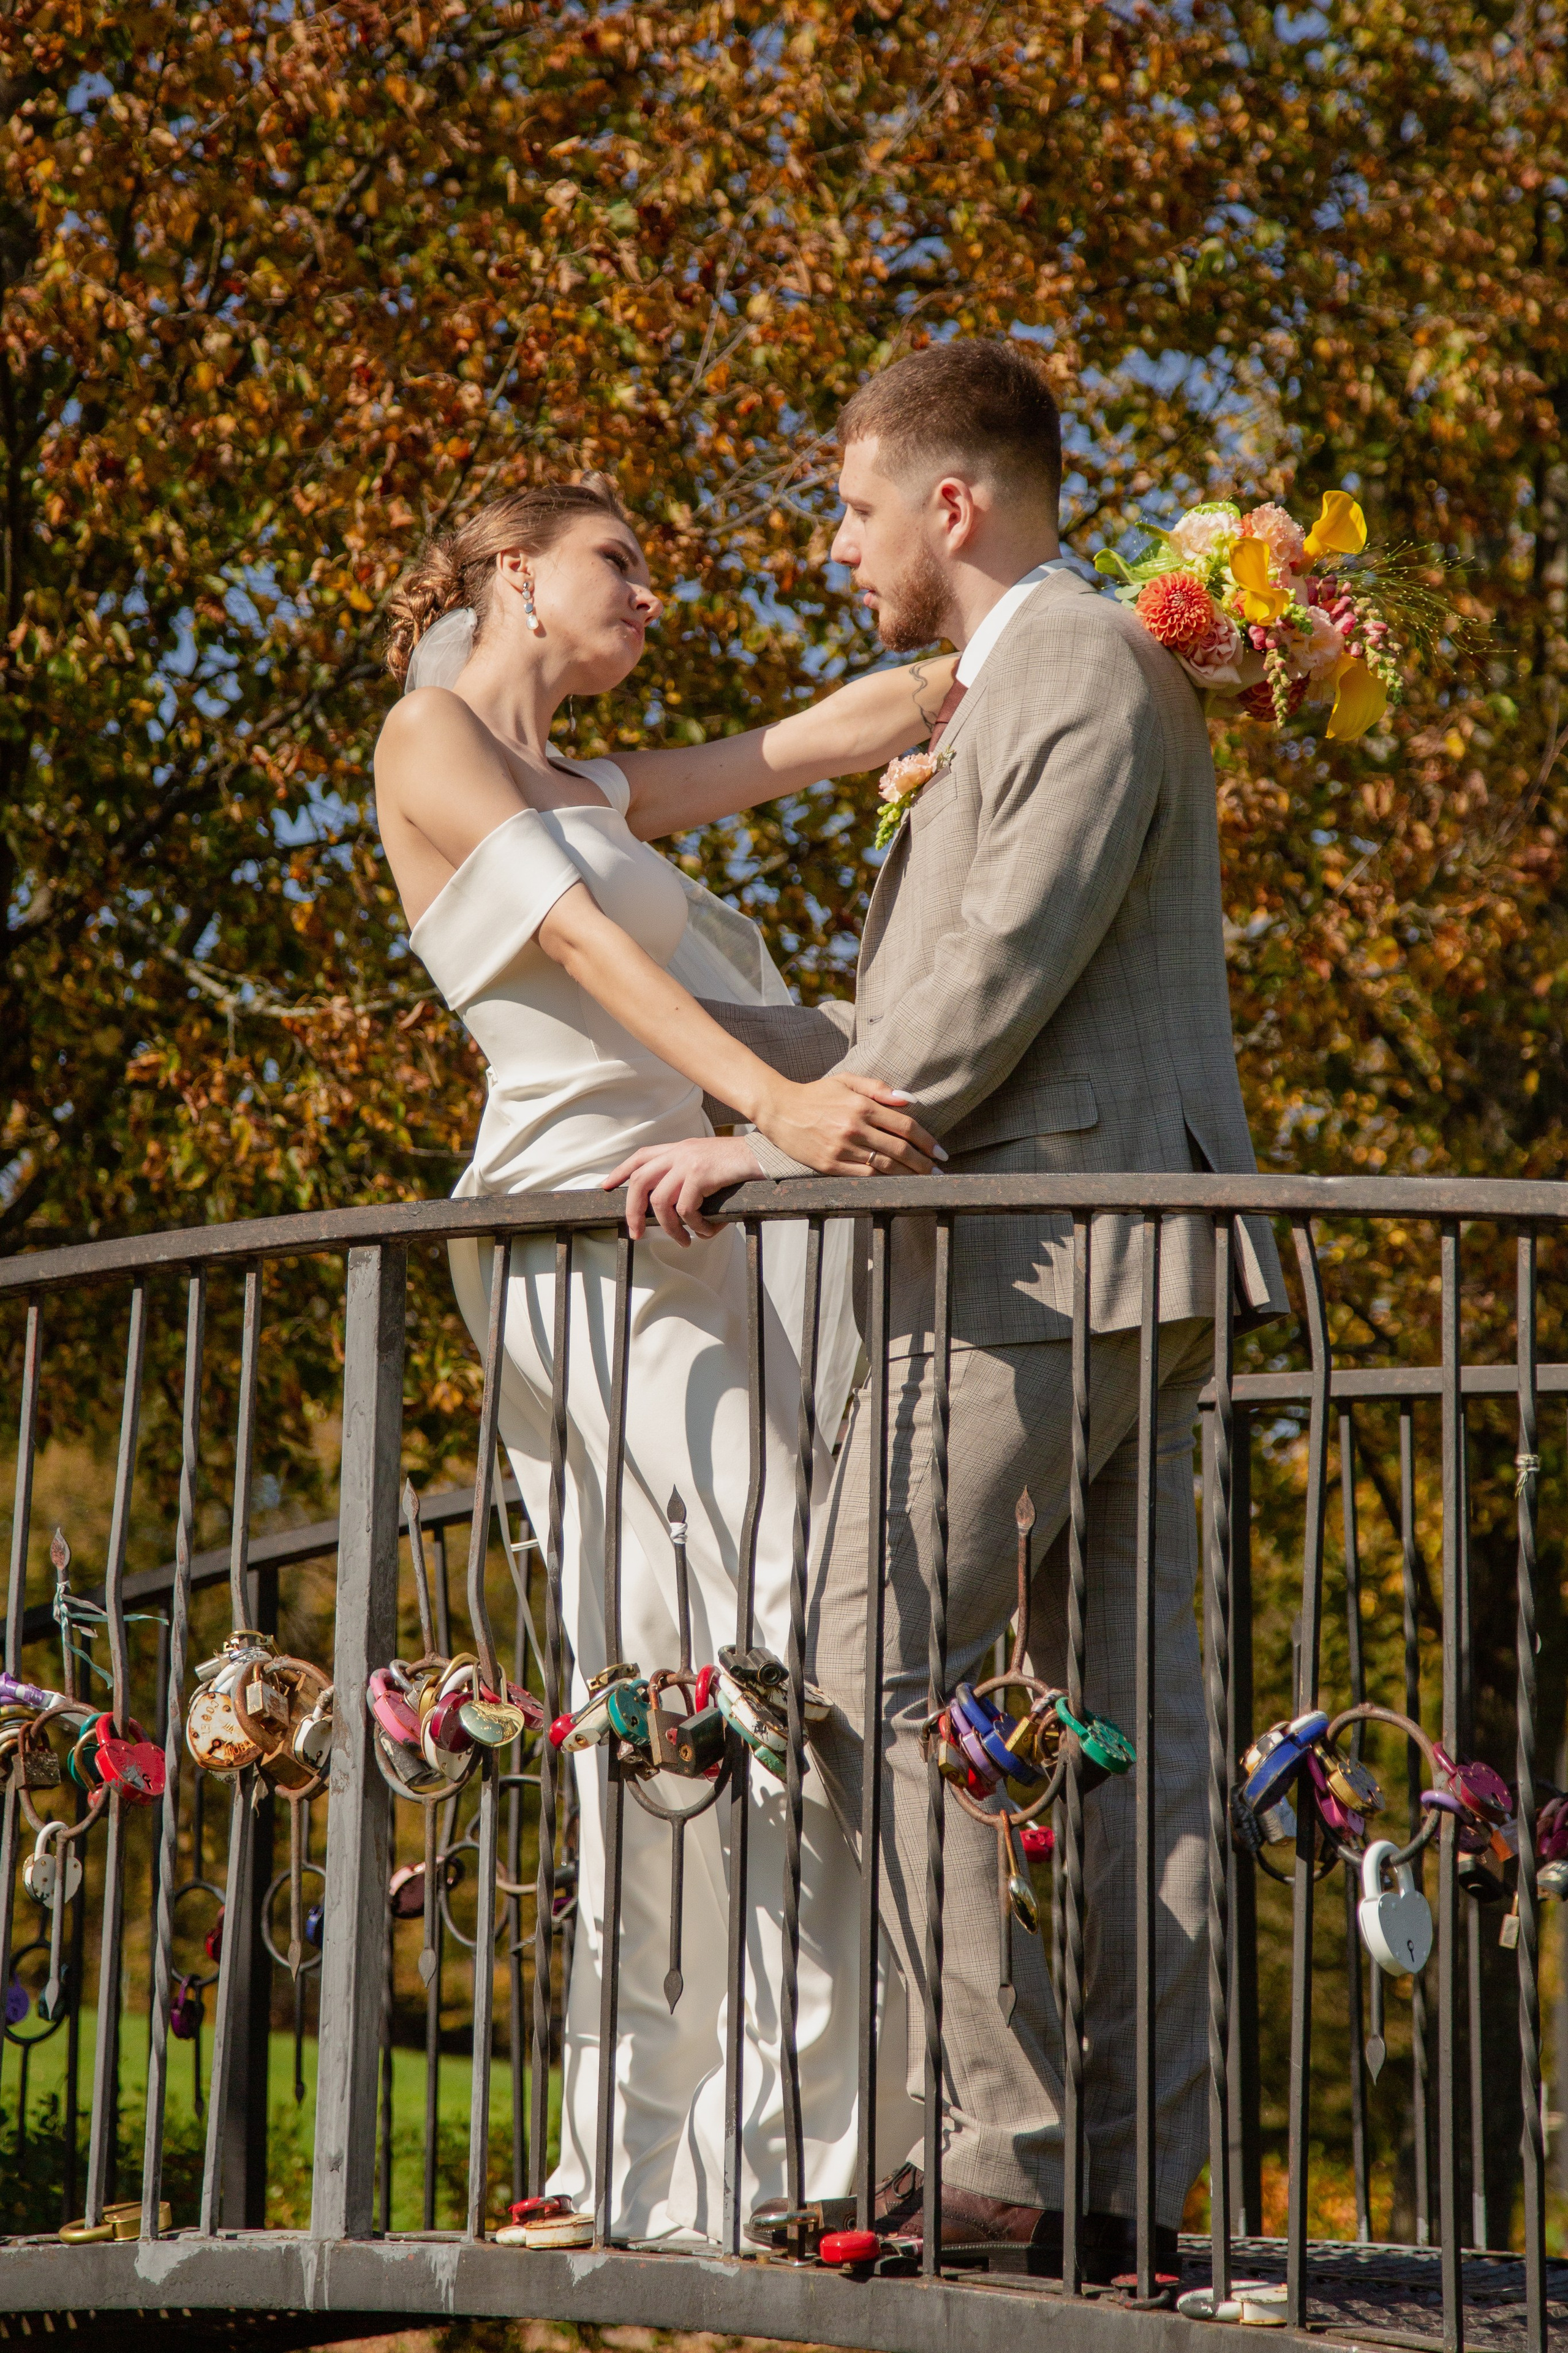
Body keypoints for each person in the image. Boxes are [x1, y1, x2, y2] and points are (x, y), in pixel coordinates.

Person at [622, 339, 1287, 2278]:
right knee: (1127, 1726)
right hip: (1107, 1246)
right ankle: (1106, 2180)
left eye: (846, 507)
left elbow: (998, 964)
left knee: (861, 1653)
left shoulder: (1075, 658)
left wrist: (783, 1138)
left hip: (1041, 1255)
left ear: (951, 502)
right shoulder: (1058, 668)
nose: (834, 548)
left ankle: (999, 2145)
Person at [374, 475, 938, 2245]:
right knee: (742, 1628)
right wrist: (776, 1099)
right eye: (623, 559)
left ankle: (709, 2151)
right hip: (575, 1232)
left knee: (707, 1655)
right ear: (516, 573)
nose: (652, 590)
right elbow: (580, 944)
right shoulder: (430, 739)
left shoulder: (587, 781)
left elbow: (806, 741)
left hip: (698, 1227)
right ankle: (733, 2152)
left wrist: (1111, 633)